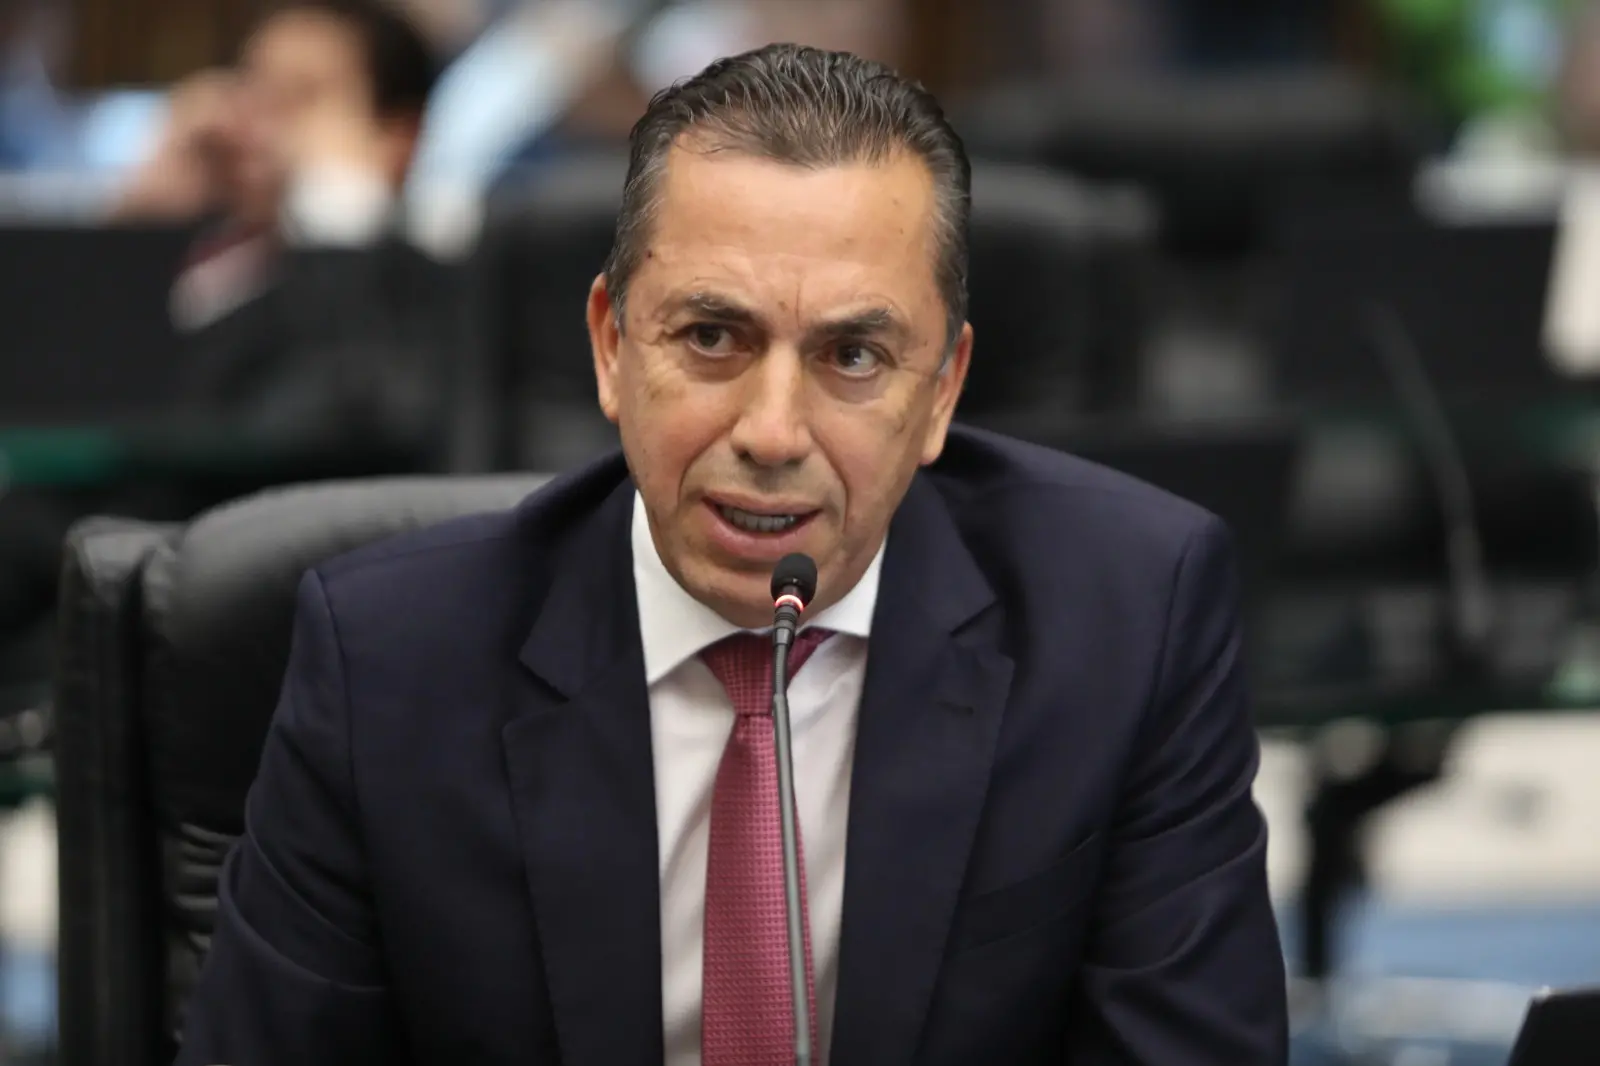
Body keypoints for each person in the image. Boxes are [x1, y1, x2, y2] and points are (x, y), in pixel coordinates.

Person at [176, 43, 1288, 1065]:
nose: (771, 432)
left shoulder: (1128, 618)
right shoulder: (388, 662)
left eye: (854, 356)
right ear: (612, 347)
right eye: (712, 337)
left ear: (943, 391)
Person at [114, 0, 451, 473]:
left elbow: (360, 412)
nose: (258, 122)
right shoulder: (204, 262)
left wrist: (338, 200)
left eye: (301, 96)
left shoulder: (431, 289)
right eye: (251, 87)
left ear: (398, 136)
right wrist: (146, 217)